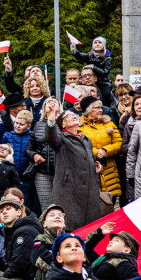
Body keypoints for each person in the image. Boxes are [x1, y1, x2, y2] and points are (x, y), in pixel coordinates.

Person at [42, 98, 102, 229]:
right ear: (62, 124)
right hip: (69, 191)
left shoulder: (86, 140)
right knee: (70, 227)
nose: (74, 116)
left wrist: (96, 166)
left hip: (89, 191)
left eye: (75, 115)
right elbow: (50, 137)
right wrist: (51, 116)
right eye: (69, 116)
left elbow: (88, 158)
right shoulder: (61, 138)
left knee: (90, 228)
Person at [79, 96, 122, 211]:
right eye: (97, 108)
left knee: (109, 206)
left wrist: (105, 151)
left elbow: (118, 143)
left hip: (109, 170)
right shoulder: (79, 126)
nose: (101, 110)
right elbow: (78, 145)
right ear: (88, 110)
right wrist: (95, 153)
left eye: (101, 107)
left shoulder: (108, 124)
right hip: (89, 169)